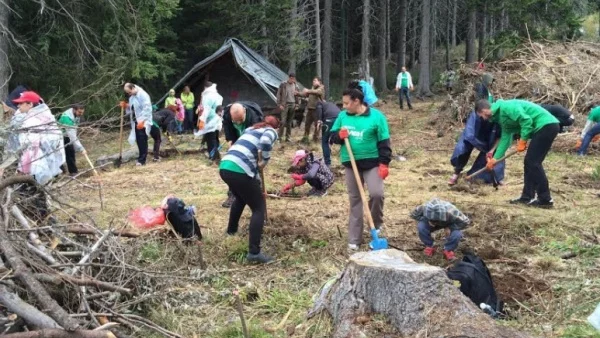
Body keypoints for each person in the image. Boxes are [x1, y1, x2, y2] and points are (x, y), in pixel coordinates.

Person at [329, 87, 392, 251]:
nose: (344, 107)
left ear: (357, 101)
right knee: (355, 199)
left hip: (372, 163)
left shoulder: (376, 117)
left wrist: (384, 163)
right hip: (351, 163)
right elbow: (332, 136)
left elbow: (384, 141)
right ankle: (354, 238)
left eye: (346, 103)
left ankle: (376, 224)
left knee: (377, 194)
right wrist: (338, 136)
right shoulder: (343, 116)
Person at [476, 99, 560, 208]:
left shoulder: (506, 107)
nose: (482, 118)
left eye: (481, 115)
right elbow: (506, 138)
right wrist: (495, 159)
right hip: (543, 128)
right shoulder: (500, 118)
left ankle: (545, 199)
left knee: (533, 163)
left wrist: (523, 140)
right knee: (530, 162)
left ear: (484, 110)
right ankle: (526, 197)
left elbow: (526, 120)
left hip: (546, 125)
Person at [219, 116, 280, 264]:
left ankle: (231, 231)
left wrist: (256, 180)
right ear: (276, 127)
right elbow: (265, 142)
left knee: (240, 198)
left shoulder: (251, 130)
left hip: (226, 166)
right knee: (258, 208)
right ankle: (254, 253)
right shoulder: (270, 131)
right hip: (239, 169)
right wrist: (265, 160)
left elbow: (250, 158)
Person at [8, 91, 66, 184]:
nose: (18, 106)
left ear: (30, 104)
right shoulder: (45, 118)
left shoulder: (32, 122)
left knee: (28, 193)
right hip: (47, 166)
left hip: (34, 169)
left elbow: (30, 148)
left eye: (21, 103)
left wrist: (22, 170)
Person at [221, 101, 264, 208]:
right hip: (237, 139)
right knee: (234, 168)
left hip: (250, 141)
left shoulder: (254, 117)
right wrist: (231, 142)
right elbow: (228, 130)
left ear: (244, 112)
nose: (238, 123)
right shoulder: (227, 114)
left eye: (240, 120)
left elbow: (258, 138)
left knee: (252, 166)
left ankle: (256, 191)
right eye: (236, 121)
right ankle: (232, 195)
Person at [448, 111, 504, 186]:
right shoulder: (475, 118)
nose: (487, 117)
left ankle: (495, 178)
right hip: (473, 136)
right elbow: (469, 135)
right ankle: (456, 174)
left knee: (497, 153)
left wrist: (491, 151)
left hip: (489, 137)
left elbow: (500, 137)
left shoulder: (499, 119)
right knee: (464, 149)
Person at [123, 83, 154, 166]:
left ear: (133, 88)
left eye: (129, 92)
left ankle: (142, 160)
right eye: (128, 93)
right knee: (138, 140)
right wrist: (126, 106)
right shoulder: (132, 97)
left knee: (142, 139)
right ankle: (141, 157)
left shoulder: (143, 95)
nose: (129, 94)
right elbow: (134, 107)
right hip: (136, 120)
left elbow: (147, 108)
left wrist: (142, 121)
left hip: (143, 121)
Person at [195, 82, 224, 161]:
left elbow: (206, 110)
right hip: (218, 120)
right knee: (215, 138)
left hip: (210, 121)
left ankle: (212, 156)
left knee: (210, 139)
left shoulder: (207, 96)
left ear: (205, 88)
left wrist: (202, 121)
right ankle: (217, 155)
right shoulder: (218, 96)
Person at [58, 104, 87, 175]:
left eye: (82, 112)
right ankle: (65, 171)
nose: (81, 114)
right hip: (58, 136)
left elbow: (74, 130)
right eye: (79, 112)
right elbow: (73, 137)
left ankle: (72, 171)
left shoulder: (76, 115)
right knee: (61, 154)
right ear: (74, 110)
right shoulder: (67, 118)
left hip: (67, 134)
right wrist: (81, 148)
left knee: (70, 152)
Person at [299, 77, 325, 143]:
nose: (313, 82)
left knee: (317, 125)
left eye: (315, 80)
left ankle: (315, 139)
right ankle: (305, 138)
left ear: (319, 82)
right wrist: (297, 93)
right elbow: (306, 94)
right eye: (313, 80)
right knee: (307, 125)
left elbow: (317, 92)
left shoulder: (321, 88)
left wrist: (308, 90)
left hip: (317, 110)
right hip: (310, 109)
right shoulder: (312, 89)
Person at [316, 100, 341, 166]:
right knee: (335, 137)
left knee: (324, 141)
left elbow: (319, 109)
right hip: (339, 118)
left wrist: (319, 120)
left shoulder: (319, 103)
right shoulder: (331, 104)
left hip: (328, 120)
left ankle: (327, 163)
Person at [276, 73, 300, 142]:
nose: (292, 80)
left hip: (293, 104)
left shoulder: (296, 86)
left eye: (293, 78)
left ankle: (288, 137)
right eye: (291, 78)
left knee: (289, 122)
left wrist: (297, 105)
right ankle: (279, 137)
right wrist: (279, 104)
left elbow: (298, 97)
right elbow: (278, 95)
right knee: (283, 121)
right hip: (285, 104)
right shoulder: (283, 85)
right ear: (289, 78)